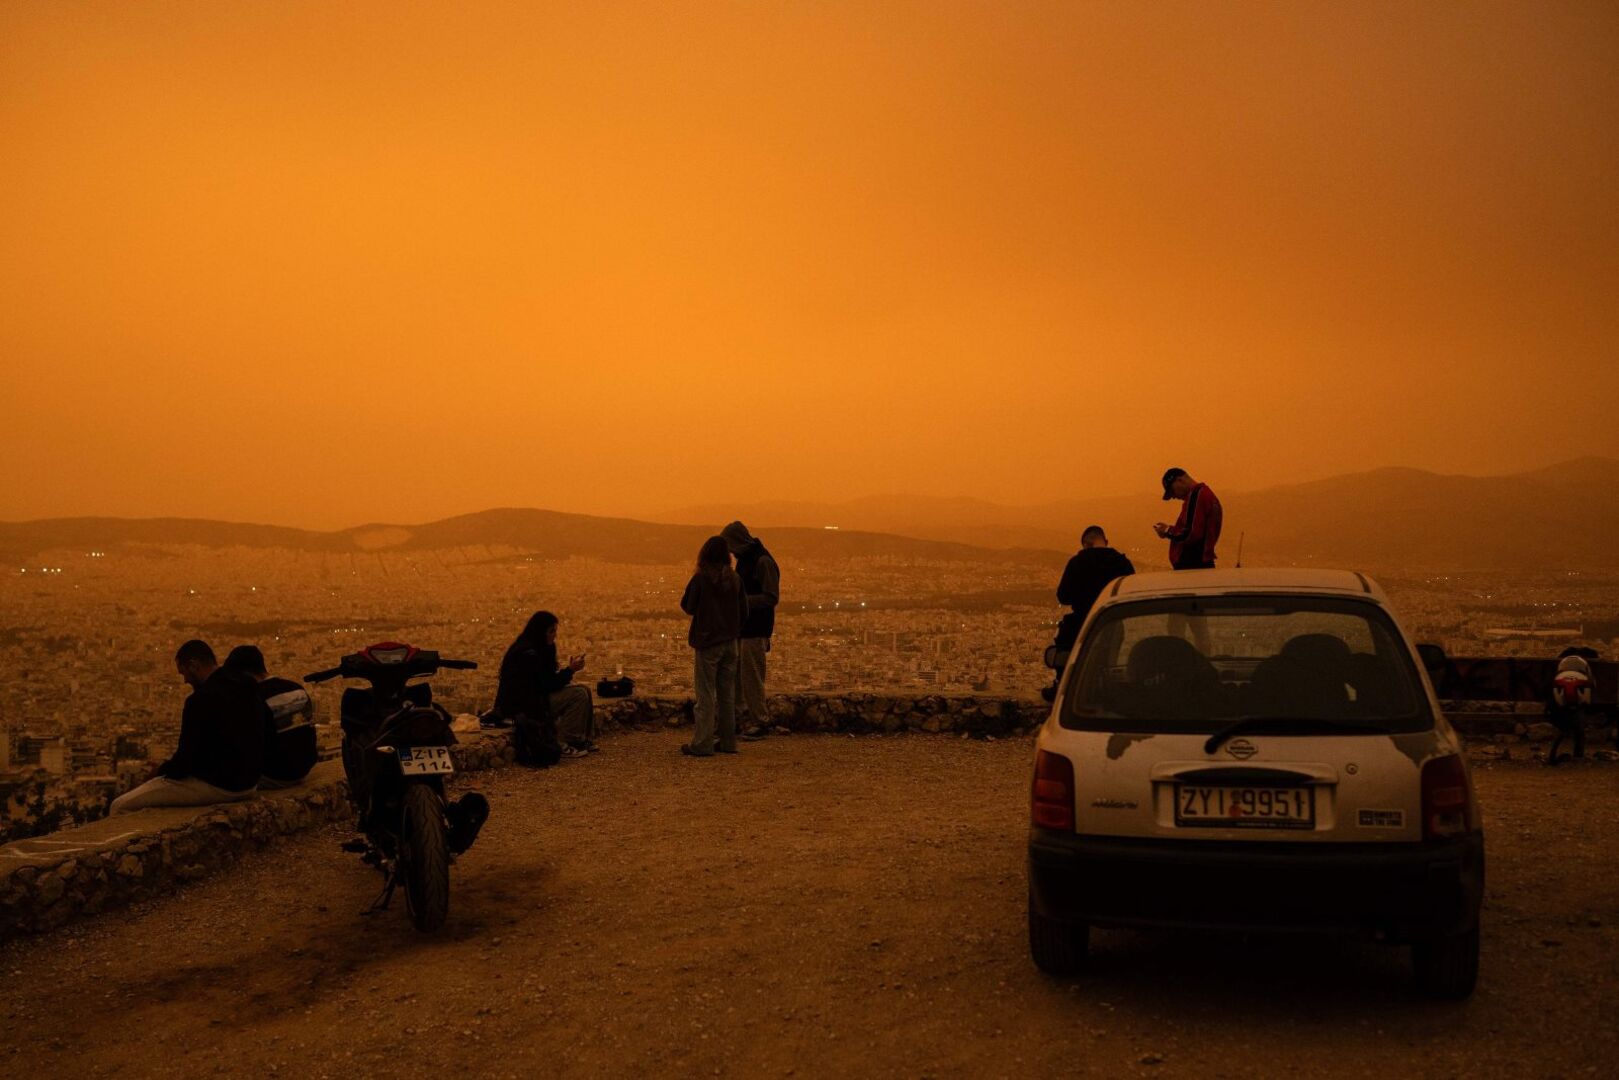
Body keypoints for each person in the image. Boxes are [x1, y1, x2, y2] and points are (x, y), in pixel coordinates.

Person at [110, 640, 264, 813]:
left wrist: (160, 771)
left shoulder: (199, 700)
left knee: (120, 806)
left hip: (222, 786)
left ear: (193, 665)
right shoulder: (246, 685)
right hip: (250, 783)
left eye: (183, 673)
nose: (184, 681)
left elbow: (184, 762)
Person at [680, 535, 750, 757]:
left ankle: (703, 743)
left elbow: (688, 606)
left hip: (709, 642)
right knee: (727, 695)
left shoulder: (701, 579)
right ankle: (729, 742)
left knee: (706, 695)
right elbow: (745, 611)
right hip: (731, 643)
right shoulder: (735, 578)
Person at [494, 611, 597, 761]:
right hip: (525, 705)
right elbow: (546, 684)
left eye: (555, 631)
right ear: (540, 632)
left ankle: (581, 739)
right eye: (551, 631)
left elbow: (548, 679)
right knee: (578, 694)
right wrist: (570, 670)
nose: (554, 635)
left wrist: (568, 671)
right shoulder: (527, 653)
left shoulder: (544, 647)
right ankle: (566, 742)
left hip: (537, 697)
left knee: (584, 690)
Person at [1049, 526, 1135, 693]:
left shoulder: (1077, 562)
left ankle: (1061, 688)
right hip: (1113, 622)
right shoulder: (1122, 562)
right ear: (1106, 542)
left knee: (1070, 660)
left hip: (1081, 621)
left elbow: (1063, 596)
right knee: (1107, 663)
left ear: (1085, 545)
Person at [223, 644, 317, 788]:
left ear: (243, 675)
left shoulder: (253, 698)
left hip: (275, 775)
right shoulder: (296, 688)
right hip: (303, 770)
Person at [721, 520, 780, 739]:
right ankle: (738, 720)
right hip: (743, 628)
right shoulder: (746, 560)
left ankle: (760, 721)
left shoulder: (762, 561)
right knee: (737, 676)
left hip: (756, 628)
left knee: (751, 677)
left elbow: (771, 597)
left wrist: (742, 602)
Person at [1154, 467, 1223, 570]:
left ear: (1179, 480)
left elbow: (1190, 533)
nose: (1173, 496)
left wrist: (1167, 531)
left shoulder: (1197, 495)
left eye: (1172, 491)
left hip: (1192, 565)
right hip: (1202, 563)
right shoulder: (1208, 496)